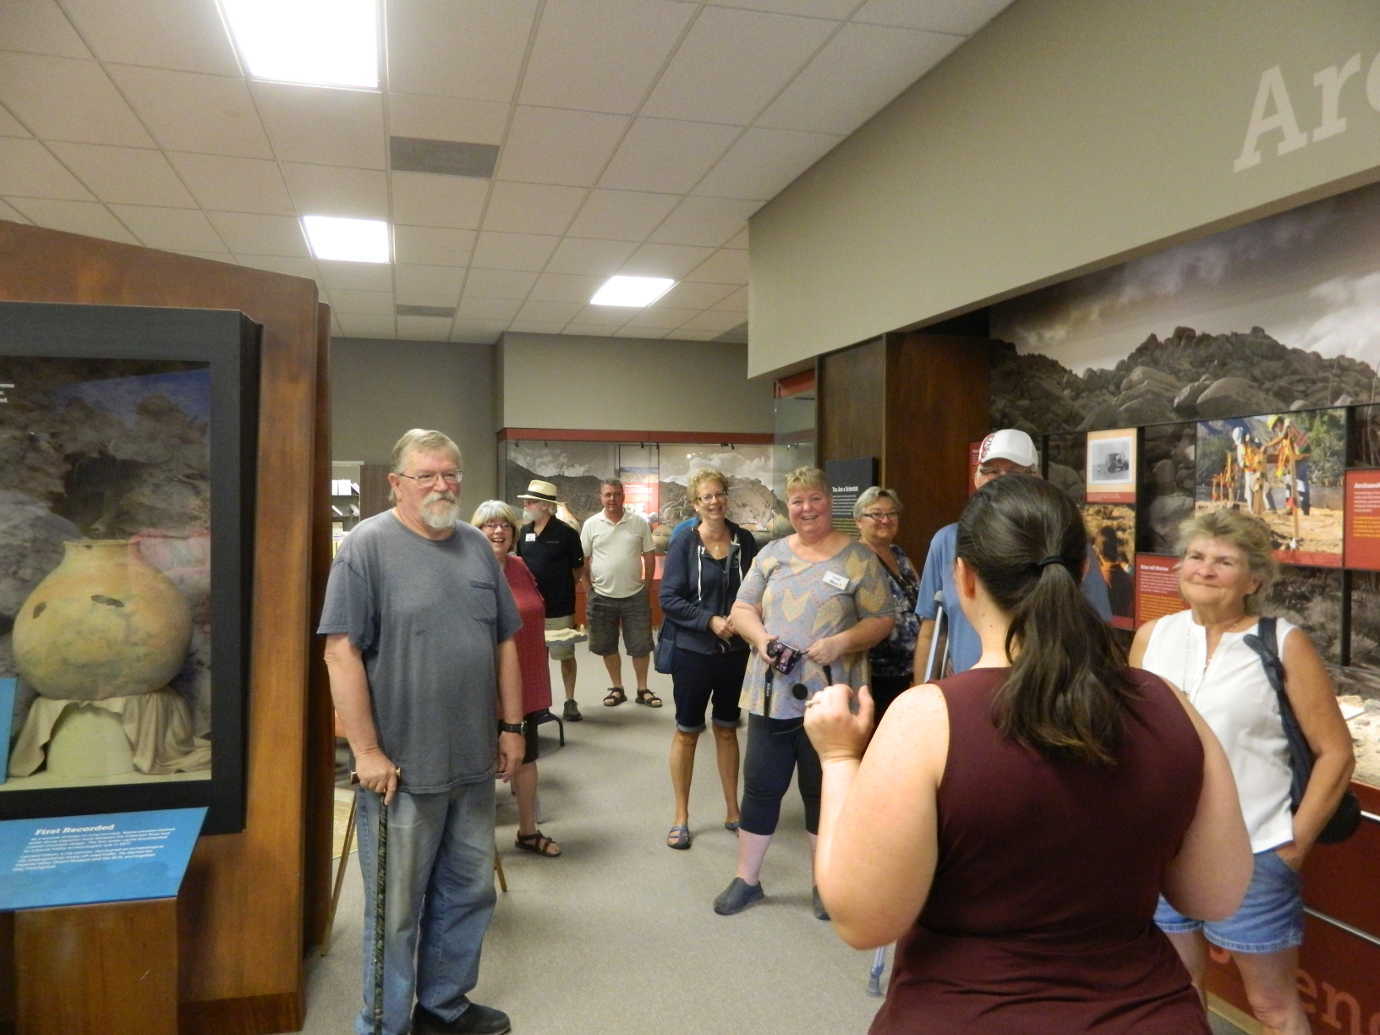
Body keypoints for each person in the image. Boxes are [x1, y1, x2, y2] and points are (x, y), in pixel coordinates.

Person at [805, 473, 1253, 1033]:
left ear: (963, 577)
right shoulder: (1169, 706)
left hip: (964, 1014)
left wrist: (839, 759)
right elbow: (1216, 893)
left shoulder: (928, 720)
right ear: (1083, 570)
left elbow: (862, 919)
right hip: (1147, 1014)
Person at [319, 429, 523, 1035]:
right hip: (399, 772)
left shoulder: (476, 547)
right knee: (395, 909)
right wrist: (367, 751)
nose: (443, 485)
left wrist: (512, 727)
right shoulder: (366, 547)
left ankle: (445, 1006)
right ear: (397, 484)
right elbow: (340, 653)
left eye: (452, 474)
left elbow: (505, 640)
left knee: (468, 894)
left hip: (472, 763)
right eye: (428, 475)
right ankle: (384, 1024)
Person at [1131, 508, 1355, 1034]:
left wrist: (1293, 846)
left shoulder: (1282, 643)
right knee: (1176, 993)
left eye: (1223, 561)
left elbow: (1336, 753)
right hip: (1165, 851)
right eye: (1195, 556)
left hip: (1255, 852)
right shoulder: (1151, 637)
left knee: (1272, 1007)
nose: (1204, 569)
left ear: (1254, 579)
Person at [713, 466, 893, 917]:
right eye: (797, 501)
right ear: (787, 507)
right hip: (771, 693)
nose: (806, 508)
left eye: (814, 499)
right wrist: (762, 640)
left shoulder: (858, 559)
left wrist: (841, 642)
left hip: (831, 698)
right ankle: (746, 879)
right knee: (760, 787)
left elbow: (882, 620)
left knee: (822, 790)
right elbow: (742, 607)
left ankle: (825, 882)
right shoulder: (771, 554)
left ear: (830, 502)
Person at [912, 428, 1112, 677]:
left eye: (1015, 472)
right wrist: (922, 690)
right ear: (976, 478)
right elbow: (931, 630)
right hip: (969, 694)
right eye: (992, 471)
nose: (1002, 480)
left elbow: (1097, 625)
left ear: (1037, 478)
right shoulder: (947, 541)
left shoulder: (1063, 540)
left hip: (1051, 692)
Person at [659, 468, 759, 850]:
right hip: (693, 653)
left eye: (719, 494)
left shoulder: (744, 540)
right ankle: (681, 816)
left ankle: (733, 810)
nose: (714, 501)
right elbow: (668, 599)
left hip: (735, 654)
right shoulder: (684, 542)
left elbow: (756, 588)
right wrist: (710, 621)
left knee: (727, 728)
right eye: (706, 497)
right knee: (687, 732)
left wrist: (745, 616)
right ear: (695, 503)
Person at [475, 499, 561, 859]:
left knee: (526, 759)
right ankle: (474, 845)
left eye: (505, 526)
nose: (498, 531)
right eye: (490, 525)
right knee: (479, 765)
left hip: (524, 681)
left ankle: (528, 831)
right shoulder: (468, 571)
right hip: (481, 685)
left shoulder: (521, 567)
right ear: (476, 531)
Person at [580, 478, 660, 708]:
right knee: (607, 645)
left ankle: (643, 689)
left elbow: (649, 555)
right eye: (608, 495)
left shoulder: (638, 523)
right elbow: (583, 559)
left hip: (635, 595)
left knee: (641, 645)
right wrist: (588, 589)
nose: (612, 499)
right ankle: (617, 688)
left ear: (623, 496)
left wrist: (646, 586)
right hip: (602, 596)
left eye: (616, 494)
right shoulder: (591, 524)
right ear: (601, 497)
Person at [515, 479, 586, 722]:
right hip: (531, 609)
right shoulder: (524, 532)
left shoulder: (566, 534)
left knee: (565, 654)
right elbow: (520, 566)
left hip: (560, 607)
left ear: (545, 506)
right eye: (525, 501)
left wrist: (562, 588)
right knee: (536, 658)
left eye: (530, 501)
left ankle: (570, 700)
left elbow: (578, 570)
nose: (526, 505)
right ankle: (540, 703)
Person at [854, 486, 920, 719]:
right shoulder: (854, 559)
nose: (885, 520)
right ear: (859, 520)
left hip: (910, 669)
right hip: (874, 674)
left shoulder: (899, 554)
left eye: (892, 514)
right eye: (876, 514)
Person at [1266, 415, 1311, 516]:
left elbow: (1283, 437)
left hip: (1301, 457)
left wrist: (1268, 445)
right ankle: (1291, 507)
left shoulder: (1288, 423)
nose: (1275, 430)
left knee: (1301, 483)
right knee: (1289, 483)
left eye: (1274, 428)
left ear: (1277, 423)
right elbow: (1284, 445)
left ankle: (1304, 508)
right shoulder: (1283, 430)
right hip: (1295, 458)